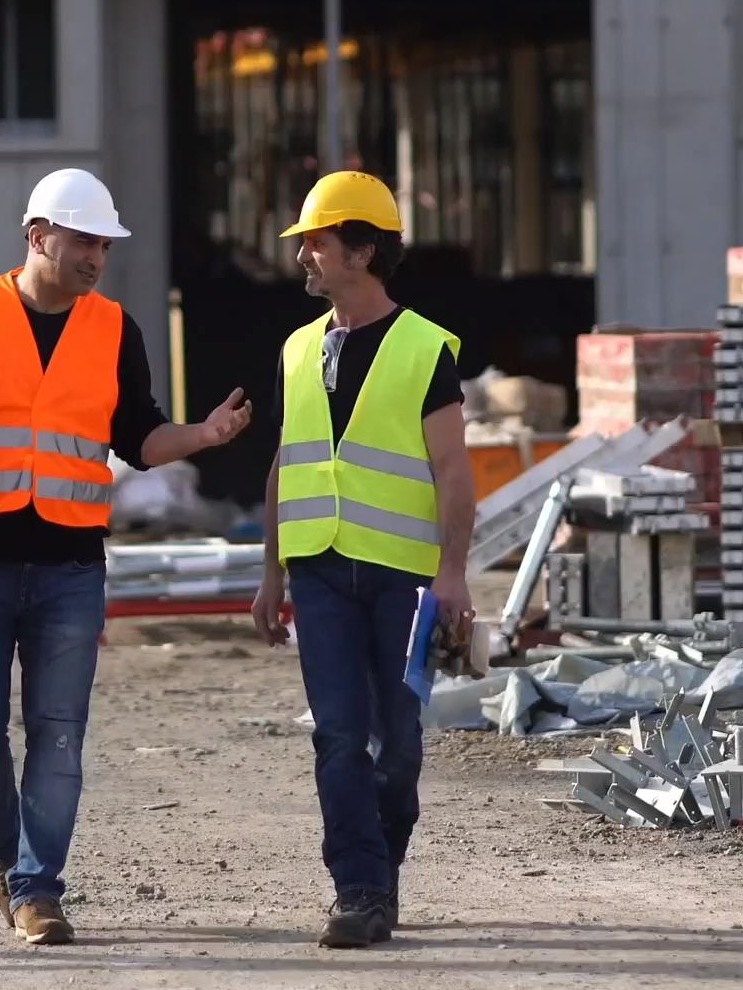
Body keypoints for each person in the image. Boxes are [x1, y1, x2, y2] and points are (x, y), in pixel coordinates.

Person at [0, 168, 252, 946]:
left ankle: (38, 889)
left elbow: (137, 436)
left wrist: (200, 436)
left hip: (70, 568)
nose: (97, 256)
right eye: (85, 241)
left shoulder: (115, 327)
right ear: (39, 237)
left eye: (105, 244)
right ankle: (6, 852)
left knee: (58, 734)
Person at [249, 170, 475, 949]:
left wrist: (453, 575)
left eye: (316, 240)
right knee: (339, 736)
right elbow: (287, 461)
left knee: (399, 747)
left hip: (404, 579)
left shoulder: (424, 349)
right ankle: (360, 888)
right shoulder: (297, 348)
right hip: (317, 571)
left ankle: (382, 868)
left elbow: (453, 471)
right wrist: (271, 572)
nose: (305, 255)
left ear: (363, 249)